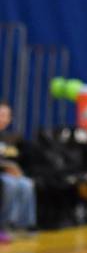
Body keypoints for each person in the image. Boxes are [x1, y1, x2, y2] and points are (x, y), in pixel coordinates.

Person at [0, 102, 37, 241]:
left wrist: (19, 170)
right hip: (3, 175)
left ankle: (25, 224)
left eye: (6, 116)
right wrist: (6, 167)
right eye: (0, 115)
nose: (3, 118)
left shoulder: (13, 138)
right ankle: (3, 224)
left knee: (26, 183)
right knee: (10, 184)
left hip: (12, 175)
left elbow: (22, 160)